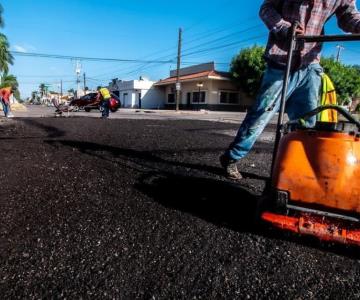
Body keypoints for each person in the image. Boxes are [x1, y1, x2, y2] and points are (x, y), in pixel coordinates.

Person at [220, 0, 360, 180]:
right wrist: (283, 27)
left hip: (310, 62)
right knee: (261, 114)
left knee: (307, 122)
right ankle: (232, 157)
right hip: (281, 61)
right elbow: (266, 9)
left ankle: (300, 168)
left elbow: (348, 17)